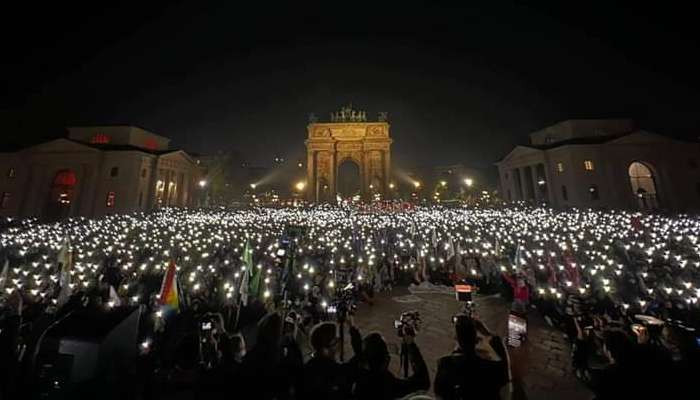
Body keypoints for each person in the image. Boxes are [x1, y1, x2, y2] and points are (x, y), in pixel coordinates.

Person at [434, 315, 510, 400]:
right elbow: (505, 370)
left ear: (456, 339)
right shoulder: (491, 367)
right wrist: (488, 334)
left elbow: (440, 393)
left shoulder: (446, 364)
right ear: (476, 340)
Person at [353, 326, 430, 399]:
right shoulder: (386, 383)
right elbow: (423, 381)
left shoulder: (354, 376)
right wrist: (411, 344)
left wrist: (352, 328)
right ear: (387, 360)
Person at [298, 318, 361, 399]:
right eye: (336, 339)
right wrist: (352, 328)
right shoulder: (337, 372)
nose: (339, 341)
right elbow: (360, 356)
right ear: (327, 346)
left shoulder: (306, 368)